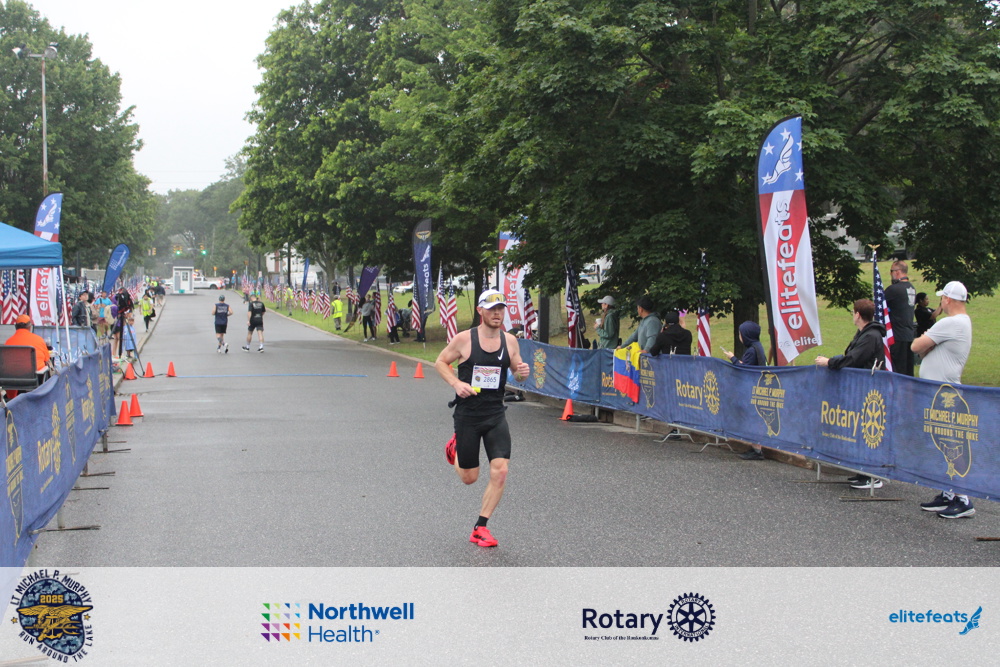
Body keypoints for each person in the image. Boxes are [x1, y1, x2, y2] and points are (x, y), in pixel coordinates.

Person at [434, 289, 530, 549]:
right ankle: (455, 449)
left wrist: (522, 372)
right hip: (468, 415)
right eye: (491, 309)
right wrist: (456, 383)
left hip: (495, 413)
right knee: (470, 478)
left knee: (501, 470)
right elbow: (441, 362)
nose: (497, 314)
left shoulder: (510, 341)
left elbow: (518, 373)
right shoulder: (464, 339)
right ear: (480, 311)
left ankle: (481, 527)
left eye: (500, 309)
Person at [912, 281, 974, 519]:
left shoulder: (951, 322)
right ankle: (948, 492)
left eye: (942, 298)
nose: (940, 302)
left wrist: (926, 345)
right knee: (942, 443)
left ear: (947, 299)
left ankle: (963, 498)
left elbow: (916, 345)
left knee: (952, 443)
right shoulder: (959, 322)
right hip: (940, 393)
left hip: (946, 395)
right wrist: (928, 347)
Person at [815, 299, 886, 489]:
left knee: (869, 432)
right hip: (859, 389)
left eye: (853, 312)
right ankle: (862, 471)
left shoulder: (871, 336)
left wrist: (829, 362)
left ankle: (873, 476)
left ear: (858, 314)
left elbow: (853, 359)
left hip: (869, 390)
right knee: (859, 432)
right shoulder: (863, 333)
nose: (852, 316)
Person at [723, 320, 768, 460]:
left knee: (753, 419)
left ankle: (757, 450)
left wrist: (733, 358)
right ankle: (756, 448)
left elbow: (744, 369)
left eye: (740, 333)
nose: (739, 336)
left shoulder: (751, 350)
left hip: (751, 389)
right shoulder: (757, 346)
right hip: (756, 387)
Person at [885, 260, 917, 376]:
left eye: (891, 271)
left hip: (896, 336)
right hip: (908, 335)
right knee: (907, 371)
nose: (891, 274)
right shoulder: (911, 288)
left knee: (897, 371)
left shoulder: (893, 289)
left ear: (897, 272)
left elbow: (879, 306)